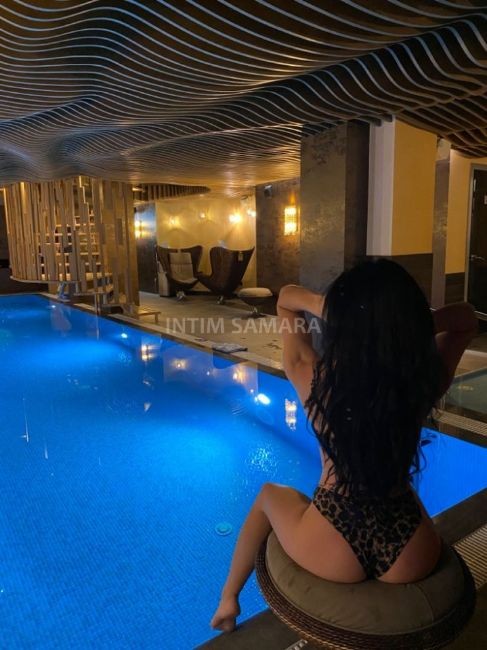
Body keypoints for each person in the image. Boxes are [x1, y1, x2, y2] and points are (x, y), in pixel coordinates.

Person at [210, 259, 478, 632]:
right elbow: (466, 319)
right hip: (409, 543)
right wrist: (403, 326)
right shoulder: (420, 385)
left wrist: (335, 310)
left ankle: (228, 601)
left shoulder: (316, 381)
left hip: (333, 536)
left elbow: (286, 300)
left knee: (269, 495)